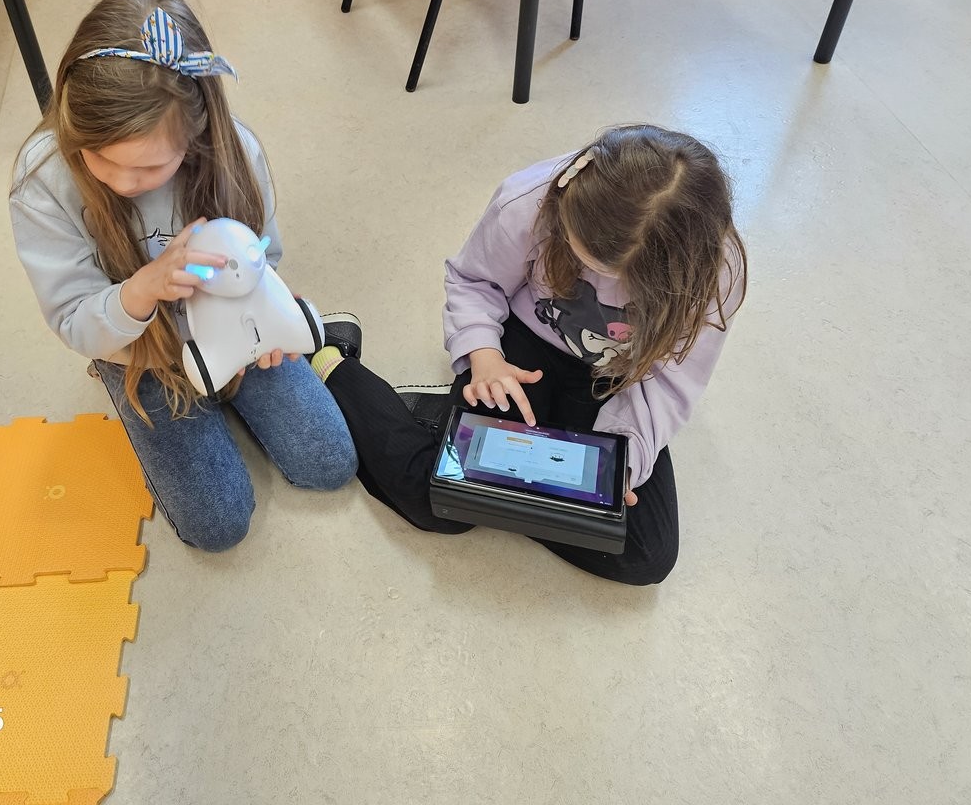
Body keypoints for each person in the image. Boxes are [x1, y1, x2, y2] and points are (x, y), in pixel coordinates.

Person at [310, 125, 747, 585]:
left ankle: (459, 440)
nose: (594, 279)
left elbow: (669, 385)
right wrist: (483, 355)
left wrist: (626, 459)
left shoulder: (713, 274)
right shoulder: (527, 201)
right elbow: (474, 281)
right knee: (436, 502)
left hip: (619, 380)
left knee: (644, 554)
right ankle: (333, 360)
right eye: (580, 256)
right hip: (519, 352)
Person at [9, 0, 356, 552]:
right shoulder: (44, 180)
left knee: (329, 463)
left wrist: (266, 323)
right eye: (100, 157)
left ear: (193, 136)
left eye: (150, 167)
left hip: (233, 330)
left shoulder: (236, 152)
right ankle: (126, 384)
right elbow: (73, 319)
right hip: (137, 351)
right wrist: (143, 289)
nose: (123, 182)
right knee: (218, 526)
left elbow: (264, 257)